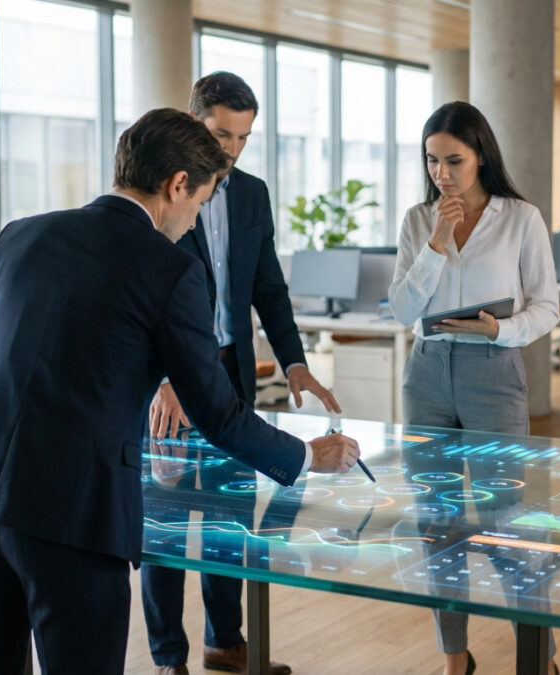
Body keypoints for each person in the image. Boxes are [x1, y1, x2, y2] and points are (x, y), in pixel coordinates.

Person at [0, 108, 361, 675]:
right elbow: (218, 414)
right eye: (199, 203)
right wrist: (306, 455)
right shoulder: (170, 269)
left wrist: (19, 439)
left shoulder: (21, 234)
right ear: (178, 184)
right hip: (75, 516)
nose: (195, 221)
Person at [142, 72, 341, 675]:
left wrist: (295, 361)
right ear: (193, 121)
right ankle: (167, 660)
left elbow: (268, 288)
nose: (230, 150)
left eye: (243, 138)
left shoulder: (252, 194)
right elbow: (142, 299)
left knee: (231, 514)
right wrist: (165, 379)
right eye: (220, 134)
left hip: (231, 372)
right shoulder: (162, 192)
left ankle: (225, 643)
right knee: (169, 525)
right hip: (172, 382)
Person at [388, 101, 560, 675]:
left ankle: (538, 660)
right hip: (428, 373)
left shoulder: (520, 218)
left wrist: (501, 329)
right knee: (435, 522)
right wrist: (436, 242)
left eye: (454, 160)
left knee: (506, 522)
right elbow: (403, 309)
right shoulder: (418, 220)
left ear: (481, 155)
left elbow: (547, 308)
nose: (442, 172)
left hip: (494, 373)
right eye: (433, 160)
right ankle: (455, 658)